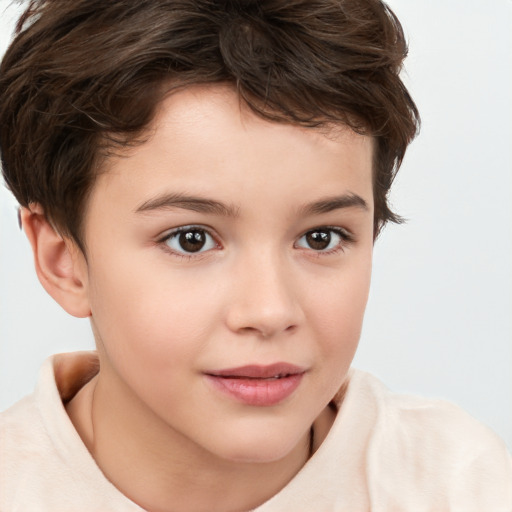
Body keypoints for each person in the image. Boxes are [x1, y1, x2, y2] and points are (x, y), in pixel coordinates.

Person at [0, 0, 510, 510]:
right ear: (62, 260)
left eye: (321, 237)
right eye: (191, 239)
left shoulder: (462, 486)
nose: (270, 312)